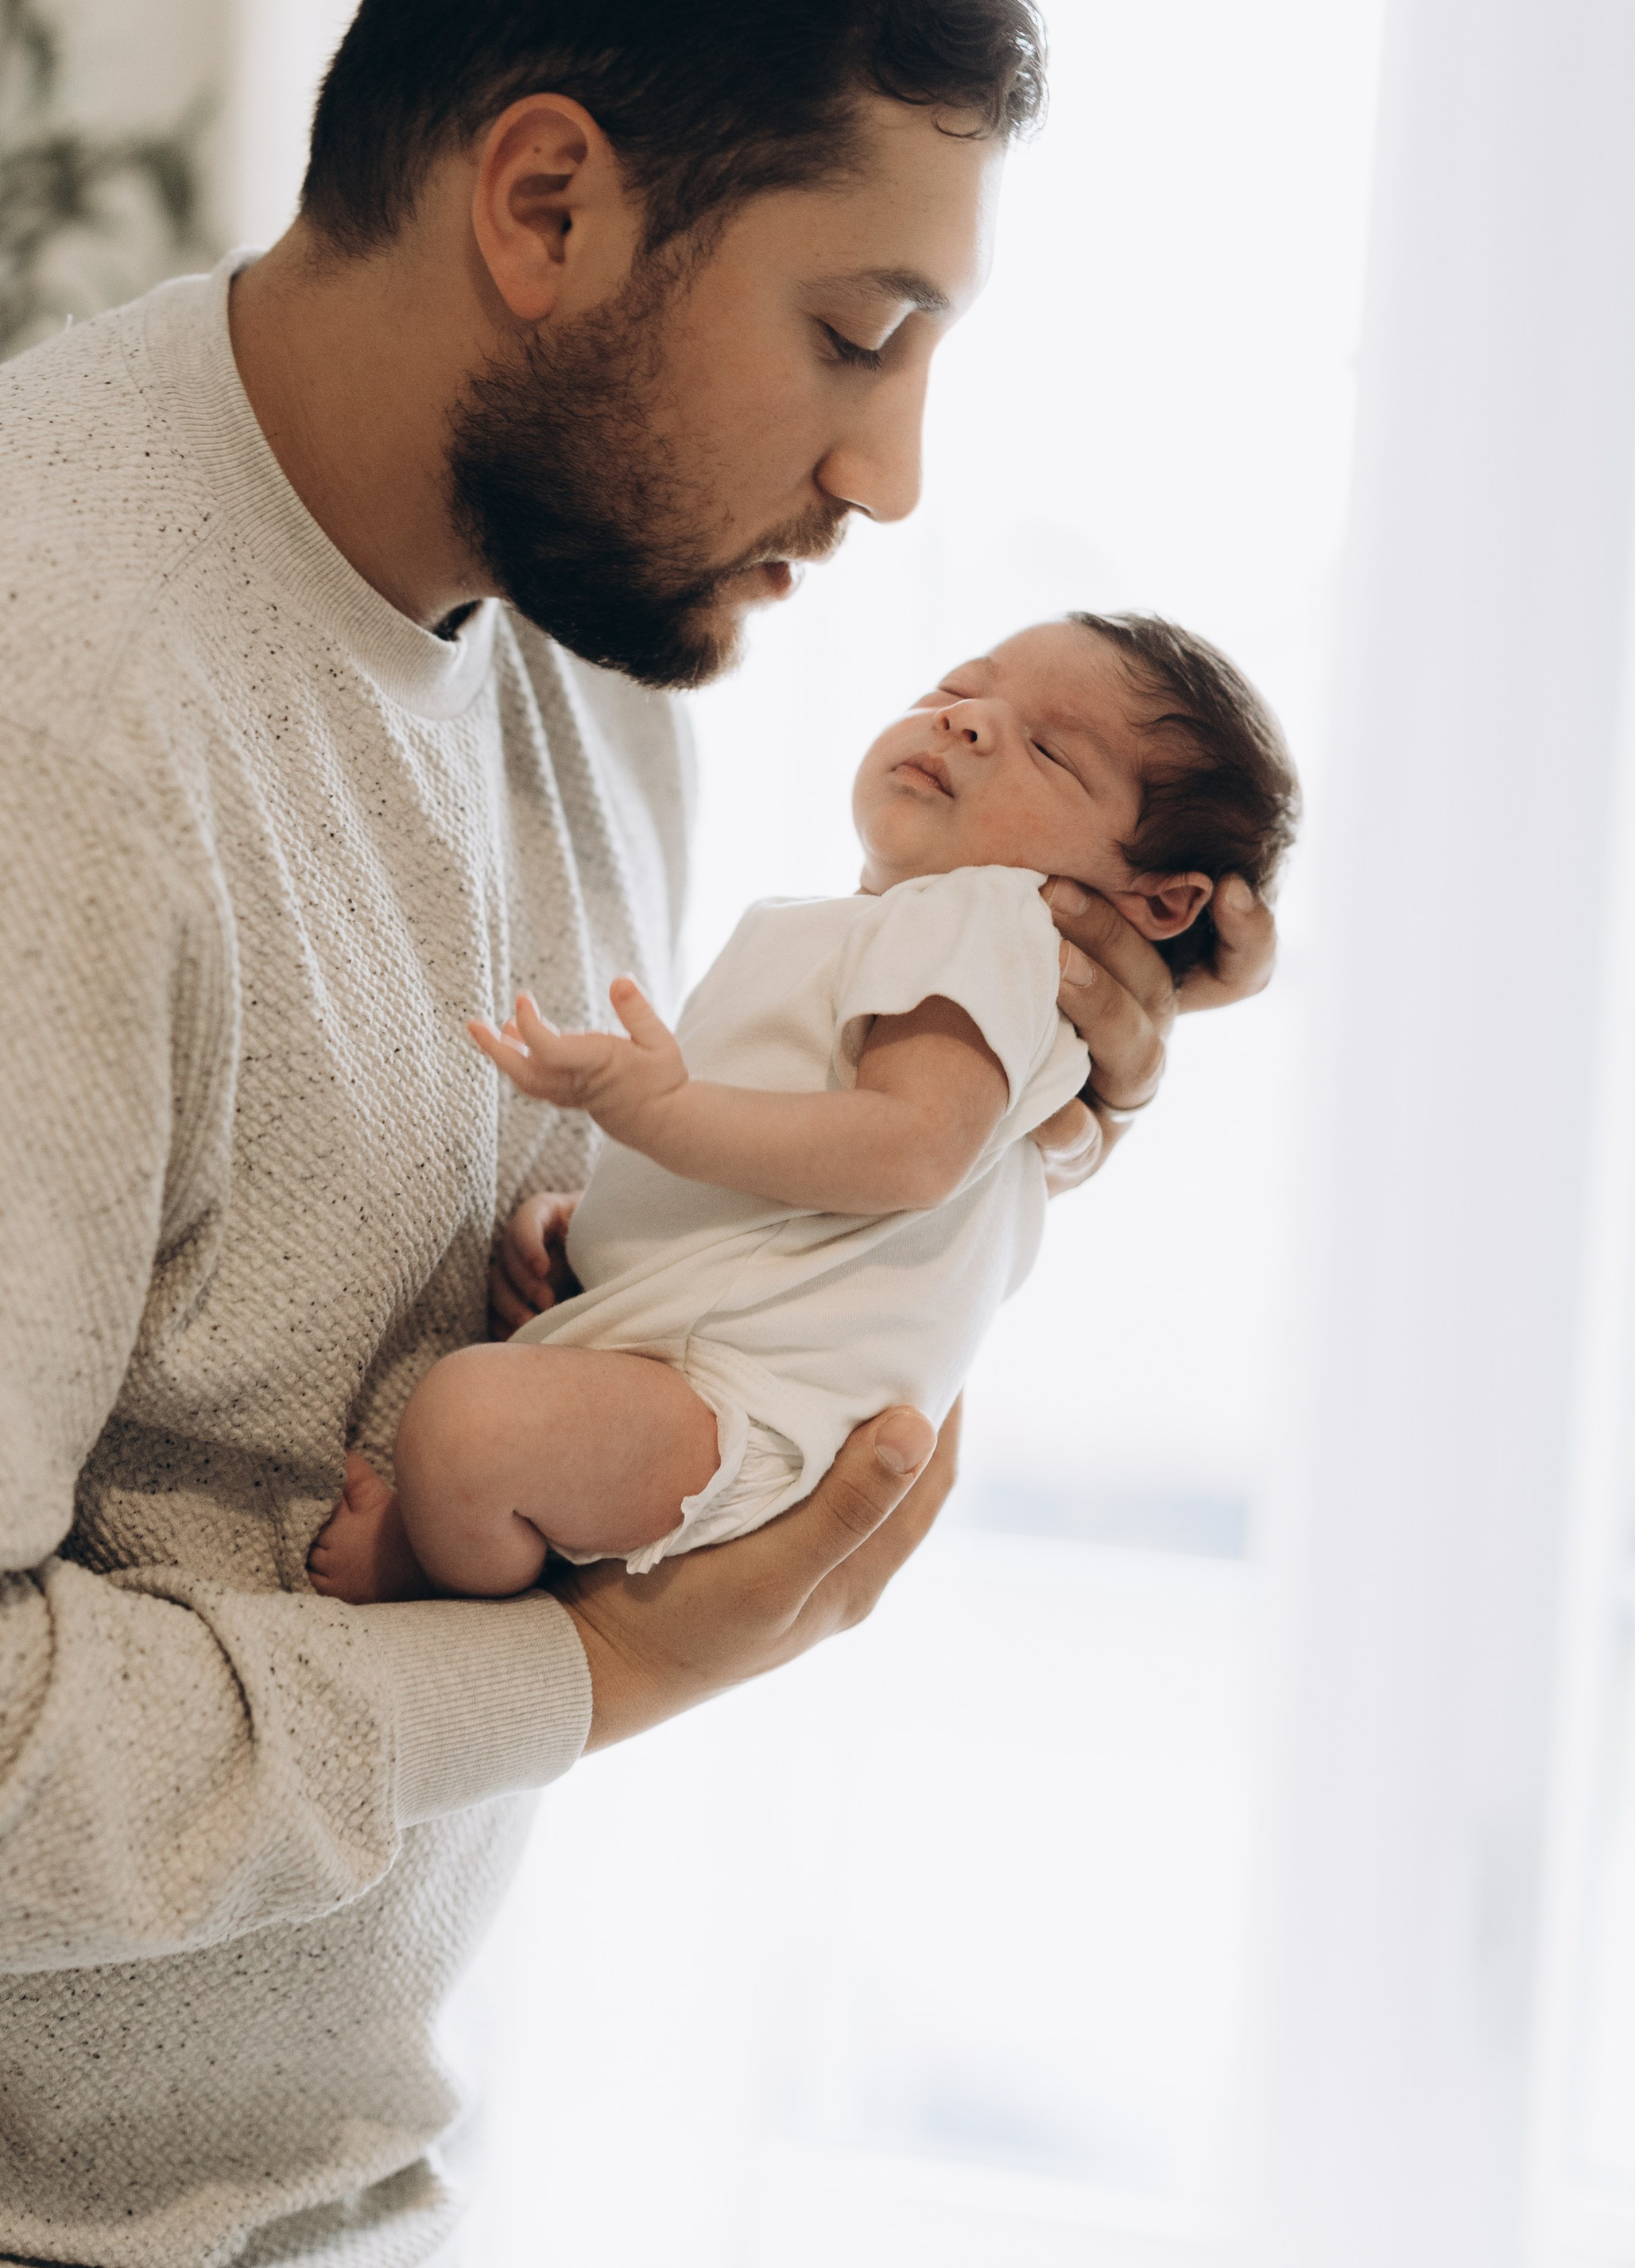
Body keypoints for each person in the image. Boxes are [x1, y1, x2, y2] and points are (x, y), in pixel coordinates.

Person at [0, 0, 1273, 2268]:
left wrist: (965, 1111)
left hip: (325, 2220)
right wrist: (583, 1679)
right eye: (855, 332)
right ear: (545, 203)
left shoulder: (575, 636)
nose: (896, 475)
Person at [308, 613, 1297, 1604]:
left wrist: (664, 1114)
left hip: (742, 1399)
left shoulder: (994, 917)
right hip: (705, 1366)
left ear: (1160, 903)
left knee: (468, 1428)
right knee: (483, 1423)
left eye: (1050, 750)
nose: (965, 723)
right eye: (957, 688)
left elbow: (913, 1150)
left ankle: (425, 1570)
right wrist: (609, 1219)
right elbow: (805, 1174)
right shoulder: (890, 935)